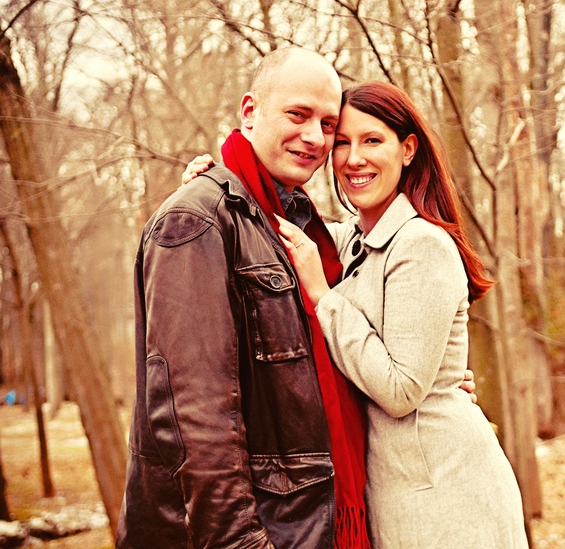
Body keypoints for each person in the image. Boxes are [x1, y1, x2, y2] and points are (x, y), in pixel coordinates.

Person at [118, 47, 371, 548]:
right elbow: (197, 418)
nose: (314, 138)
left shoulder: (296, 225)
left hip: (304, 521)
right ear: (250, 112)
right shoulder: (197, 221)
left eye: (327, 124)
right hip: (254, 534)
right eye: (297, 115)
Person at [275, 81, 529, 548]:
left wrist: (321, 294)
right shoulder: (348, 241)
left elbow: (400, 391)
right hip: (398, 493)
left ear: (408, 149)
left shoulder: (422, 245)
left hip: (446, 494)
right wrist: (216, 179)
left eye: (372, 141)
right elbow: (271, 222)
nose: (354, 159)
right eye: (343, 143)